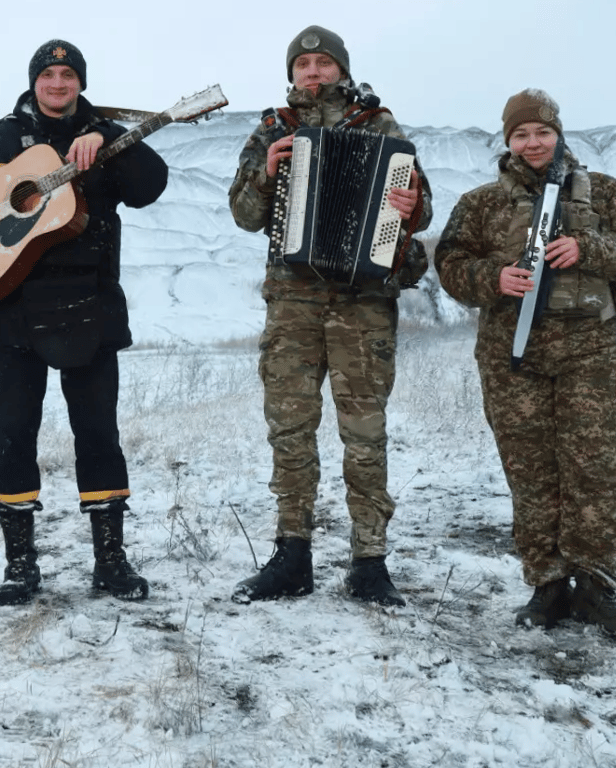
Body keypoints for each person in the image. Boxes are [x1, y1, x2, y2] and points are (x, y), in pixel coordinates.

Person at [0, 40, 168, 606]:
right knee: (13, 437)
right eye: (48, 74)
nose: (57, 83)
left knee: (99, 435)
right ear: (34, 82)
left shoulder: (104, 137)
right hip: (13, 306)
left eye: (67, 74)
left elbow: (151, 187)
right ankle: (20, 565)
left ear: (80, 83)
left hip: (91, 303)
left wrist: (106, 138)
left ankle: (111, 562)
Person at [433, 89, 616, 638]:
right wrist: (494, 277)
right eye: (521, 134)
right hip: (512, 358)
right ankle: (548, 585)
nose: (532, 143)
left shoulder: (604, 193)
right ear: (508, 140)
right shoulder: (480, 204)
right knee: (531, 472)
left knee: (596, 468)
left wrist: (588, 248)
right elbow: (449, 264)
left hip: (592, 354)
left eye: (542, 132)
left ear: (558, 134)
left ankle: (597, 588)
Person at [228, 25, 431, 606]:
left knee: (364, 434)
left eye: (323, 63)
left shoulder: (382, 127)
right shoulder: (272, 130)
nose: (313, 73)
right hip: (292, 303)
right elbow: (244, 217)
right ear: (292, 73)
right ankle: (292, 555)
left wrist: (412, 205)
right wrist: (264, 174)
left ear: (341, 69)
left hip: (362, 306)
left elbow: (418, 206)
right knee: (290, 433)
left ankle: (369, 561)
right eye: (303, 65)